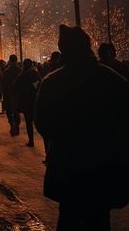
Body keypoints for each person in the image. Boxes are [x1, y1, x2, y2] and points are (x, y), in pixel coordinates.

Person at [35, 25, 129, 231]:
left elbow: (42, 122)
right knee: (100, 220)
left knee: (68, 217)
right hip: (104, 168)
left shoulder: (54, 82)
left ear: (65, 50)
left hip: (69, 167)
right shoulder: (115, 81)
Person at [14, 58, 41, 147]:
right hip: (35, 100)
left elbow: (14, 86)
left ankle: (31, 140)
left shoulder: (22, 75)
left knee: (28, 122)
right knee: (36, 120)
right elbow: (40, 84)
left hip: (26, 101)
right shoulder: (35, 74)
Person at [1, 55, 21, 136]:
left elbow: (3, 84)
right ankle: (17, 126)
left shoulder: (6, 71)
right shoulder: (20, 70)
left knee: (9, 111)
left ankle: (12, 124)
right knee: (17, 111)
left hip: (8, 93)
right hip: (17, 94)